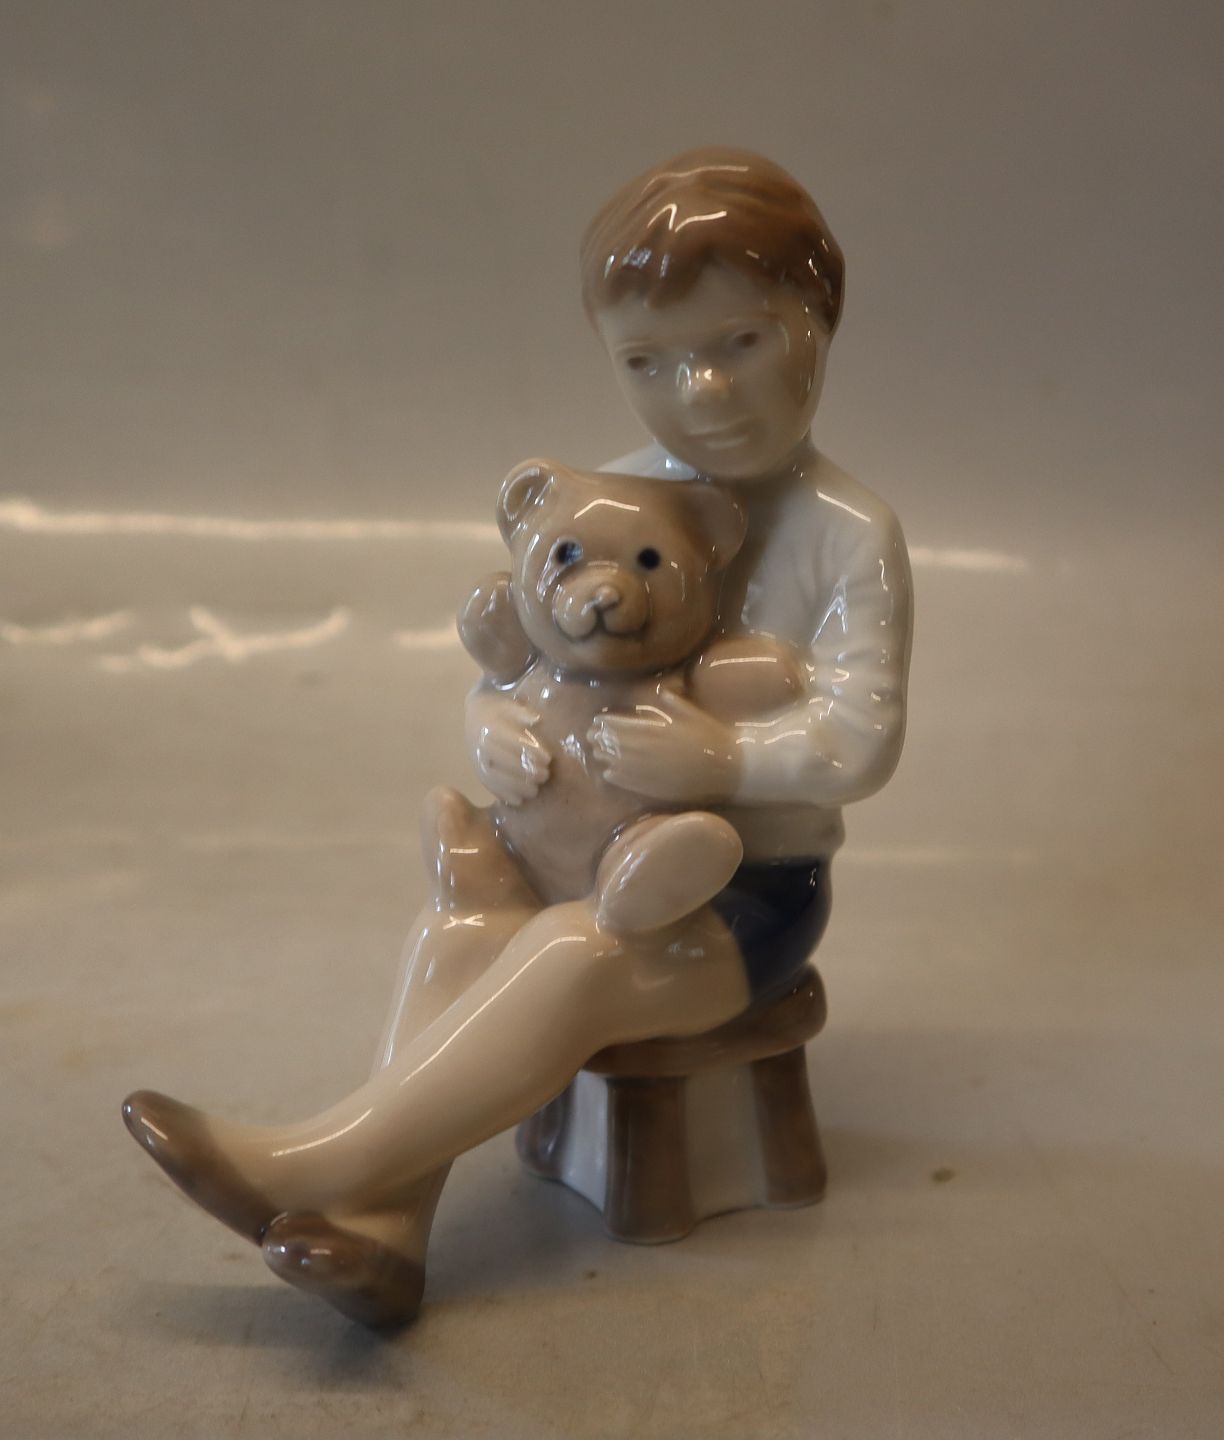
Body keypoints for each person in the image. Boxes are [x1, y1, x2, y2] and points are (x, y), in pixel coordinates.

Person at [123, 147, 913, 1327]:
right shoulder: (614, 496)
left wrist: (725, 763)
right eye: (647, 361)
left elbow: (863, 734)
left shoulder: (848, 534)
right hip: (570, 849)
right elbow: (525, 660)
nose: (701, 390)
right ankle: (387, 1235)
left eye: (741, 341)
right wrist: (489, 722)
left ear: (820, 314)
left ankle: (310, 1164)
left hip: (744, 897)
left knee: (570, 953)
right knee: (459, 930)